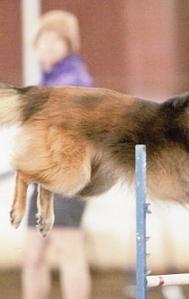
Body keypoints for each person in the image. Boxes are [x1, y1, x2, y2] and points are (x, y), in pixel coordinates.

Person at [22, 10, 94, 299]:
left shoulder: (73, 78)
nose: (48, 46)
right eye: (44, 39)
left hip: (69, 174)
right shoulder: (48, 78)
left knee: (67, 249)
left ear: (69, 45)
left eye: (57, 40)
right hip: (46, 176)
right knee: (32, 254)